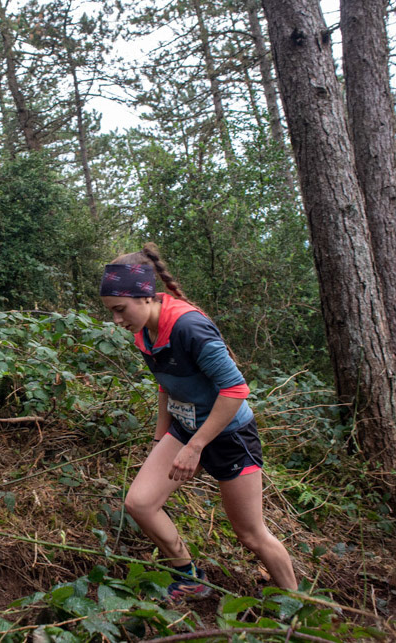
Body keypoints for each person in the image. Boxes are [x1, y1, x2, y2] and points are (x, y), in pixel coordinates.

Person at [100, 243, 297, 600]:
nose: (116, 320)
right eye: (112, 311)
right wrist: (160, 438)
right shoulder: (142, 330)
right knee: (140, 503)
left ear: (145, 297)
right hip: (185, 426)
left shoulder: (189, 327)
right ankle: (189, 577)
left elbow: (235, 389)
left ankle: (299, 604)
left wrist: (196, 447)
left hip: (229, 435)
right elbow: (166, 384)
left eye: (119, 309)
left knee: (250, 534)